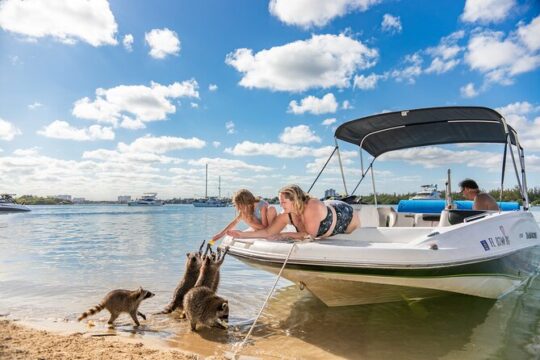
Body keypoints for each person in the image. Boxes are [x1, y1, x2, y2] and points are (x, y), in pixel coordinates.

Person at [227, 184, 360, 241]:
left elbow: (309, 235)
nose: (281, 205)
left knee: (351, 230)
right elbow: (268, 232)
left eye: (283, 202)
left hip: (346, 215)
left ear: (295, 200)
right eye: (280, 202)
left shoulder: (311, 206)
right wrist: (242, 234)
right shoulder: (286, 214)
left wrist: (283, 235)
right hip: (327, 208)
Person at [210, 189, 277, 244]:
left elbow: (265, 227)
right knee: (243, 214)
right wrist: (220, 234)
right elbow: (234, 222)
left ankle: (245, 234)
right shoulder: (245, 209)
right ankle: (248, 233)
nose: (238, 207)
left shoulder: (261, 205)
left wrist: (251, 223)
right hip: (259, 227)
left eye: (238, 205)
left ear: (244, 203)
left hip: (269, 227)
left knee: (271, 208)